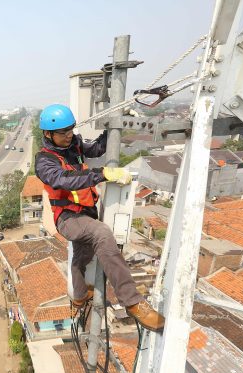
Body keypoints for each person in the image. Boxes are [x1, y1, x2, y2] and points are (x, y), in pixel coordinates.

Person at [35, 104, 164, 332]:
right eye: (63, 132)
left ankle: (79, 295)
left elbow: (96, 149)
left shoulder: (73, 145)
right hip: (67, 218)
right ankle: (132, 301)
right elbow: (64, 179)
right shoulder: (45, 161)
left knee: (81, 255)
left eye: (70, 130)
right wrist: (101, 174)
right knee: (101, 233)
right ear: (48, 134)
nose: (68, 135)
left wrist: (117, 124)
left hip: (85, 213)